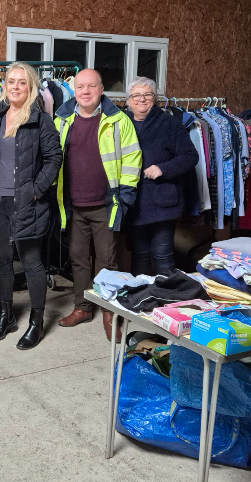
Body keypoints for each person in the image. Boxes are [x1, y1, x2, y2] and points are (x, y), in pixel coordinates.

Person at [53, 69, 142, 342]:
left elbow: (132, 158)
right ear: (75, 91)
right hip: (73, 205)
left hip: (106, 204)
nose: (86, 91)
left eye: (92, 86)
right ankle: (83, 307)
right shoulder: (61, 119)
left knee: (107, 263)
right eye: (81, 87)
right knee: (78, 259)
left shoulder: (118, 120)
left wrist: (125, 197)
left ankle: (109, 313)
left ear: (101, 90)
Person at [0, 63, 61, 349]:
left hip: (27, 201)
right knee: (3, 260)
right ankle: (5, 316)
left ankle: (36, 322)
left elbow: (55, 158)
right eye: (11, 82)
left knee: (31, 263)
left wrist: (36, 191)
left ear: (30, 88)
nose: (15, 87)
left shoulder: (40, 120)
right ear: (4, 85)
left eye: (22, 83)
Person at [125, 77, 198, 276]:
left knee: (163, 255)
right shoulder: (122, 123)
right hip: (134, 201)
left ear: (154, 98)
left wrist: (163, 169)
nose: (142, 99)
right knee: (139, 255)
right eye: (136, 95)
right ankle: (140, 301)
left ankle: (166, 300)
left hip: (163, 202)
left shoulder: (169, 123)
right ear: (128, 100)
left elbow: (190, 156)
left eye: (147, 94)